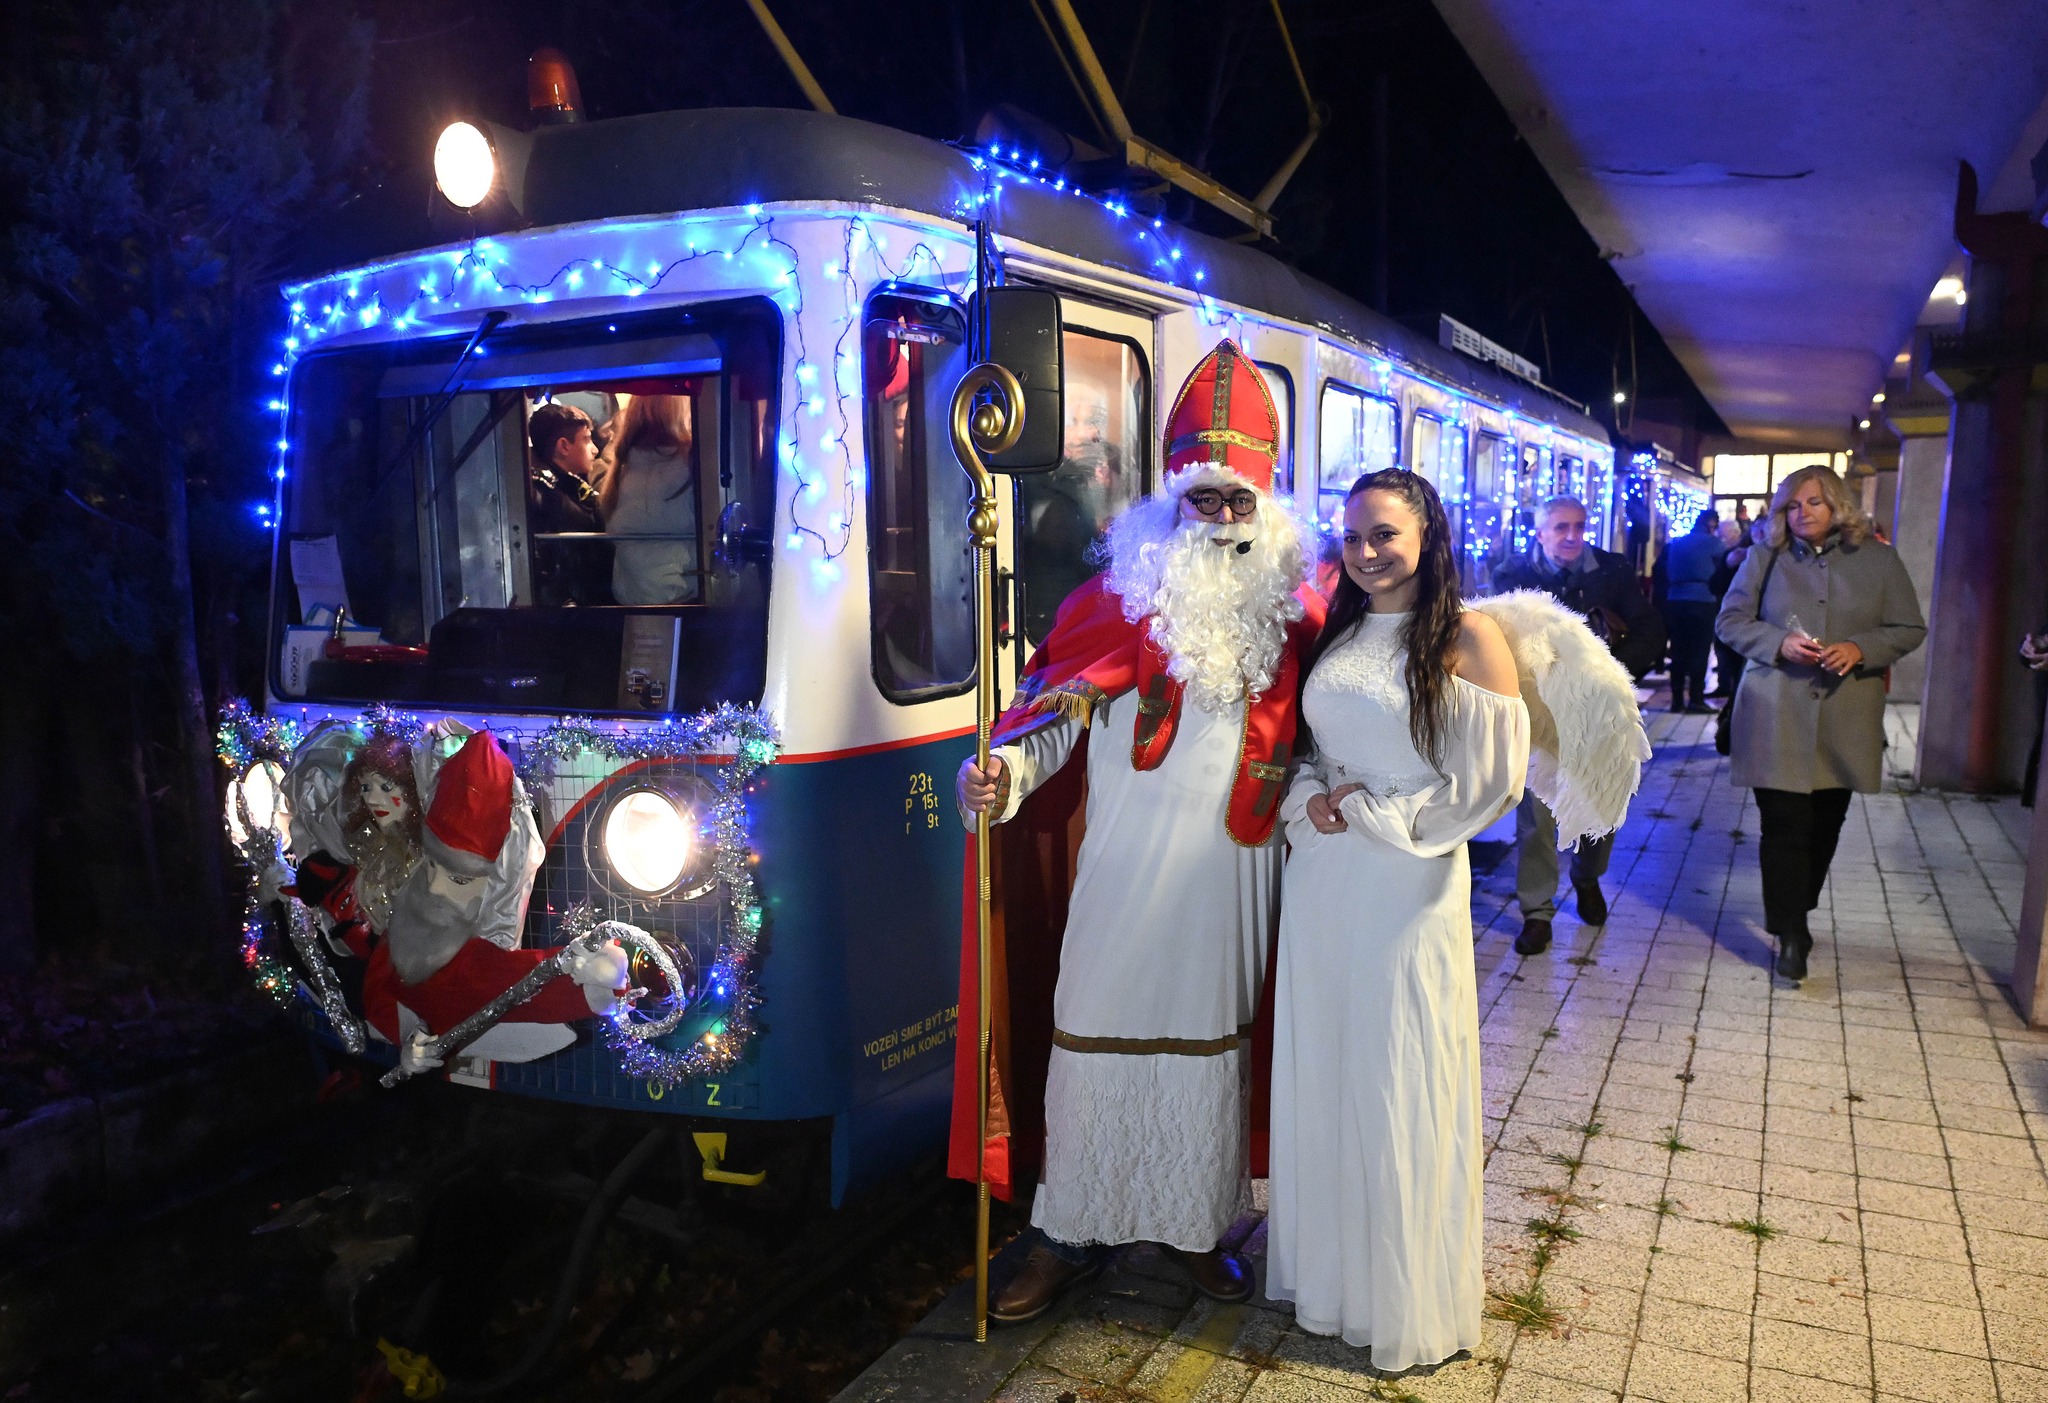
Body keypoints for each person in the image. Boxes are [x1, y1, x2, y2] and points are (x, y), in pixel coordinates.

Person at [951, 341, 1323, 1323]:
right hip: (1122, 869)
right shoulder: (1110, 602)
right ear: (1171, 499)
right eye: (1205, 500)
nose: (1223, 519)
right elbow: (1043, 723)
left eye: (1239, 501)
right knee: (1091, 1034)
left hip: (1235, 874)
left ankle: (1195, 1227)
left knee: (1211, 1050)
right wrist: (1001, 771)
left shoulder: (1300, 614)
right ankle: (1067, 1229)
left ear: (1266, 500)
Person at [1267, 470, 1529, 1372]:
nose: (1366, 552)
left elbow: (1491, 784)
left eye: (1383, 534)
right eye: (1352, 538)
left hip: (1405, 880)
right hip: (1325, 876)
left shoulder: (1467, 635)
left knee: (1395, 1067)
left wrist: (1384, 815)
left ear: (1427, 535)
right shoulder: (1340, 630)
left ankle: (1403, 1297)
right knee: (1331, 1064)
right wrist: (1312, 800)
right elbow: (1311, 749)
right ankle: (1335, 1282)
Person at [1716, 465, 1925, 981]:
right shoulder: (1766, 557)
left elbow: (1908, 627)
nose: (1802, 513)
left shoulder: (1879, 559)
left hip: (1844, 717)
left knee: (1825, 827)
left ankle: (1797, 909)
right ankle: (1791, 932)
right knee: (1782, 826)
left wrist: (1859, 648)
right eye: (1792, 505)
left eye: (1813, 502)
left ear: (1838, 505)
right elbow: (1730, 621)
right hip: (1774, 713)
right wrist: (1778, 643)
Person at [1491, 496, 1663, 955]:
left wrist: (1610, 676)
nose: (1572, 536)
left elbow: (1649, 630)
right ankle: (1537, 911)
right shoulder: (1513, 577)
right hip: (1540, 714)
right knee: (1537, 816)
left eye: (1578, 527)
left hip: (1598, 712)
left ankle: (1587, 878)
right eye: (1561, 528)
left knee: (1602, 800)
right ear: (1541, 532)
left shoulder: (1610, 572)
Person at [600, 393, 699, 605]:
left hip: (632, 598)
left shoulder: (620, 470)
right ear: (682, 412)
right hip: (686, 591)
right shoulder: (692, 462)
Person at [526, 400, 609, 605]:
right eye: (587, 440)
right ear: (564, 446)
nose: (595, 449)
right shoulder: (546, 494)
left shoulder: (563, 488)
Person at [1662, 508, 1722, 713]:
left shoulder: (1677, 543)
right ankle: (1696, 699)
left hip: (1676, 599)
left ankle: (1676, 700)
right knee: (1700, 650)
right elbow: (1724, 567)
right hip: (1703, 599)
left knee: (1678, 651)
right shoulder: (1714, 543)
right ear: (1711, 523)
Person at [1708, 518, 1747, 698]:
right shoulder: (1728, 555)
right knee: (1722, 647)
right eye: (1720, 534)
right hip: (1724, 606)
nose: (1722, 538)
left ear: (1736, 534)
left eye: (1725, 535)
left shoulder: (1745, 555)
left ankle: (1733, 687)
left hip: (1739, 609)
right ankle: (1725, 685)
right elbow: (1715, 583)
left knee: (1733, 650)